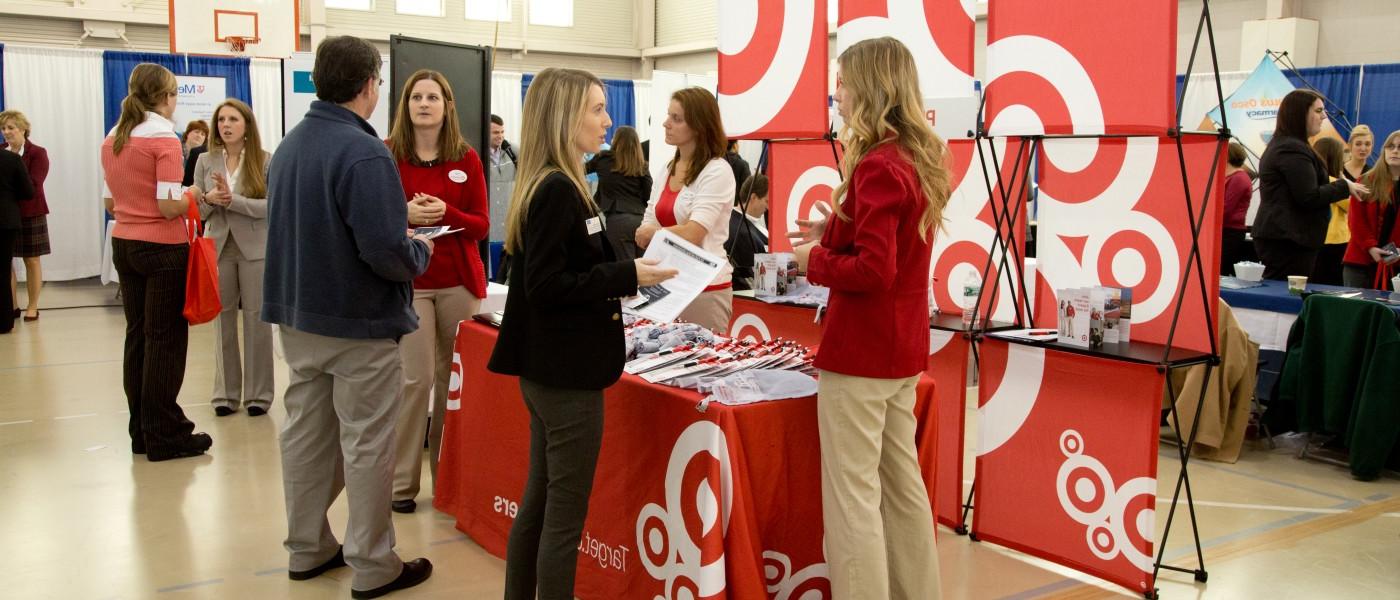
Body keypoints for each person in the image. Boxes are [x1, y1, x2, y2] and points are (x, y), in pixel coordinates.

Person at [486, 67, 676, 600]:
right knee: (562, 519)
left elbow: (558, 271)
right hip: (565, 374)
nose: (607, 121)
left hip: (552, 368)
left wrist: (621, 272)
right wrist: (624, 275)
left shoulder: (559, 183)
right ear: (567, 115)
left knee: (541, 504)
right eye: (596, 109)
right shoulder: (556, 191)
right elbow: (548, 284)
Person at [262, 36, 434, 599]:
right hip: (357, 324)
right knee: (368, 445)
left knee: (306, 440)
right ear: (368, 86)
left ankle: (308, 547)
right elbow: (385, 251)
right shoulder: (364, 152)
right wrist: (419, 250)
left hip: (298, 319)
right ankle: (373, 563)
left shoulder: (290, 146)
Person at [791, 36, 949, 600]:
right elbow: (898, 251)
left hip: (861, 354)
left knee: (853, 497)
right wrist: (832, 233)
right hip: (900, 352)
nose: (836, 93)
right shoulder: (916, 158)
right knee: (903, 489)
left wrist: (815, 260)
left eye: (842, 81)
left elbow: (876, 270)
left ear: (868, 87)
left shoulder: (879, 164)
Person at [385, 69, 490, 514]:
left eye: (433, 97)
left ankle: (446, 480)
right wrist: (404, 214)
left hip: (457, 284)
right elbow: (373, 222)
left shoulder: (467, 158)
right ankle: (401, 485)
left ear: (448, 105)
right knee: (416, 380)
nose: (424, 104)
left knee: (453, 384)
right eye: (416, 97)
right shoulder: (388, 156)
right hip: (412, 285)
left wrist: (448, 212)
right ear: (405, 106)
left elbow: (483, 225)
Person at [100, 63, 213, 461]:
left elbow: (112, 202)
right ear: (166, 98)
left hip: (125, 243)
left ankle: (141, 431)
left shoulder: (114, 136)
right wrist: (194, 193)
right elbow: (168, 206)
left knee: (139, 337)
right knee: (165, 341)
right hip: (162, 249)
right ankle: (166, 433)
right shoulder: (163, 139)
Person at [189, 99, 274, 418]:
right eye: (221, 119)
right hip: (219, 246)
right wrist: (210, 199)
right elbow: (196, 207)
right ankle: (225, 394)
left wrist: (234, 201)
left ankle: (259, 395)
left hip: (255, 248)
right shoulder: (204, 160)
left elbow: (272, 207)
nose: (225, 125)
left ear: (247, 125)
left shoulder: (265, 160)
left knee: (256, 320)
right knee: (221, 320)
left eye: (233, 119)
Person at [635, 87, 736, 332]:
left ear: (699, 126)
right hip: (666, 287)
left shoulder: (717, 170)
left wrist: (656, 234)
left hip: (704, 289)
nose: (665, 124)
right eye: (669, 116)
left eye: (676, 119)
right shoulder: (667, 168)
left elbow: (694, 233)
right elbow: (645, 226)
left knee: (701, 366)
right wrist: (655, 233)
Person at [1252, 90, 1368, 280]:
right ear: (1300, 113)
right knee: (1286, 299)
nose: (1324, 116)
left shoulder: (1290, 145)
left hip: (1290, 238)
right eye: (1318, 110)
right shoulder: (1291, 148)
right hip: (1288, 239)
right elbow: (1308, 196)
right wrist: (1344, 186)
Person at [1, 110, 50, 321]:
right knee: (6, 262)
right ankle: (11, 305)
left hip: (31, 213)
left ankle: (32, 306)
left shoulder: (38, 153)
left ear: (23, 129)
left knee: (32, 260)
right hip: (6, 215)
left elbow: (35, 184)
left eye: (11, 128)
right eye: (3, 128)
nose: (6, 132)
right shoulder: (2, 152)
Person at [1342, 130, 1400, 289]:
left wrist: (1394, 253)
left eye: (1399, 147)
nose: (1394, 151)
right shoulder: (1367, 180)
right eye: (1391, 146)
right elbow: (1356, 220)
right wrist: (1370, 246)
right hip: (1360, 261)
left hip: (1395, 266)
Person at [587, 125, 652, 260]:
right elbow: (649, 196)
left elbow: (580, 170)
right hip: (641, 221)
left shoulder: (603, 159)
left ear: (615, 140)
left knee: (626, 271)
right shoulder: (642, 165)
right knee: (645, 269)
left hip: (617, 221)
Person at [0, 146, 33, 334]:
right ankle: (4, 321)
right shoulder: (11, 159)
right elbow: (28, 192)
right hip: (5, 221)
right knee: (3, 272)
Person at [1310, 136, 1350, 285]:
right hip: (1335, 240)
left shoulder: (1312, 180)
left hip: (1316, 237)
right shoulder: (1333, 182)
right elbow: (1351, 207)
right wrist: (1345, 182)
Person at [724, 173, 770, 290]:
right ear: (753, 197)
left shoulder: (729, 219)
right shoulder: (743, 234)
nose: (768, 207)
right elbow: (763, 283)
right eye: (767, 201)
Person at [487, 114, 517, 273]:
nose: (500, 136)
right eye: (495, 132)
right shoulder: (477, 152)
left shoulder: (513, 151)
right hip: (490, 223)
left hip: (508, 222)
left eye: (502, 132)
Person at [1220, 143, 1252, 275]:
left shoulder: (1239, 178)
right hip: (1224, 230)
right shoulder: (1229, 177)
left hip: (1230, 232)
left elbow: (1226, 208)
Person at [181, 120, 209, 187]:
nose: (199, 136)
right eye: (197, 132)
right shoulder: (177, 149)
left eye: (203, 134)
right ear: (188, 133)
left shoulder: (204, 157)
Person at [723, 139, 751, 205]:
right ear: (735, 146)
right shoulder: (743, 164)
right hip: (736, 208)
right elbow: (748, 190)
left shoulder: (716, 163)